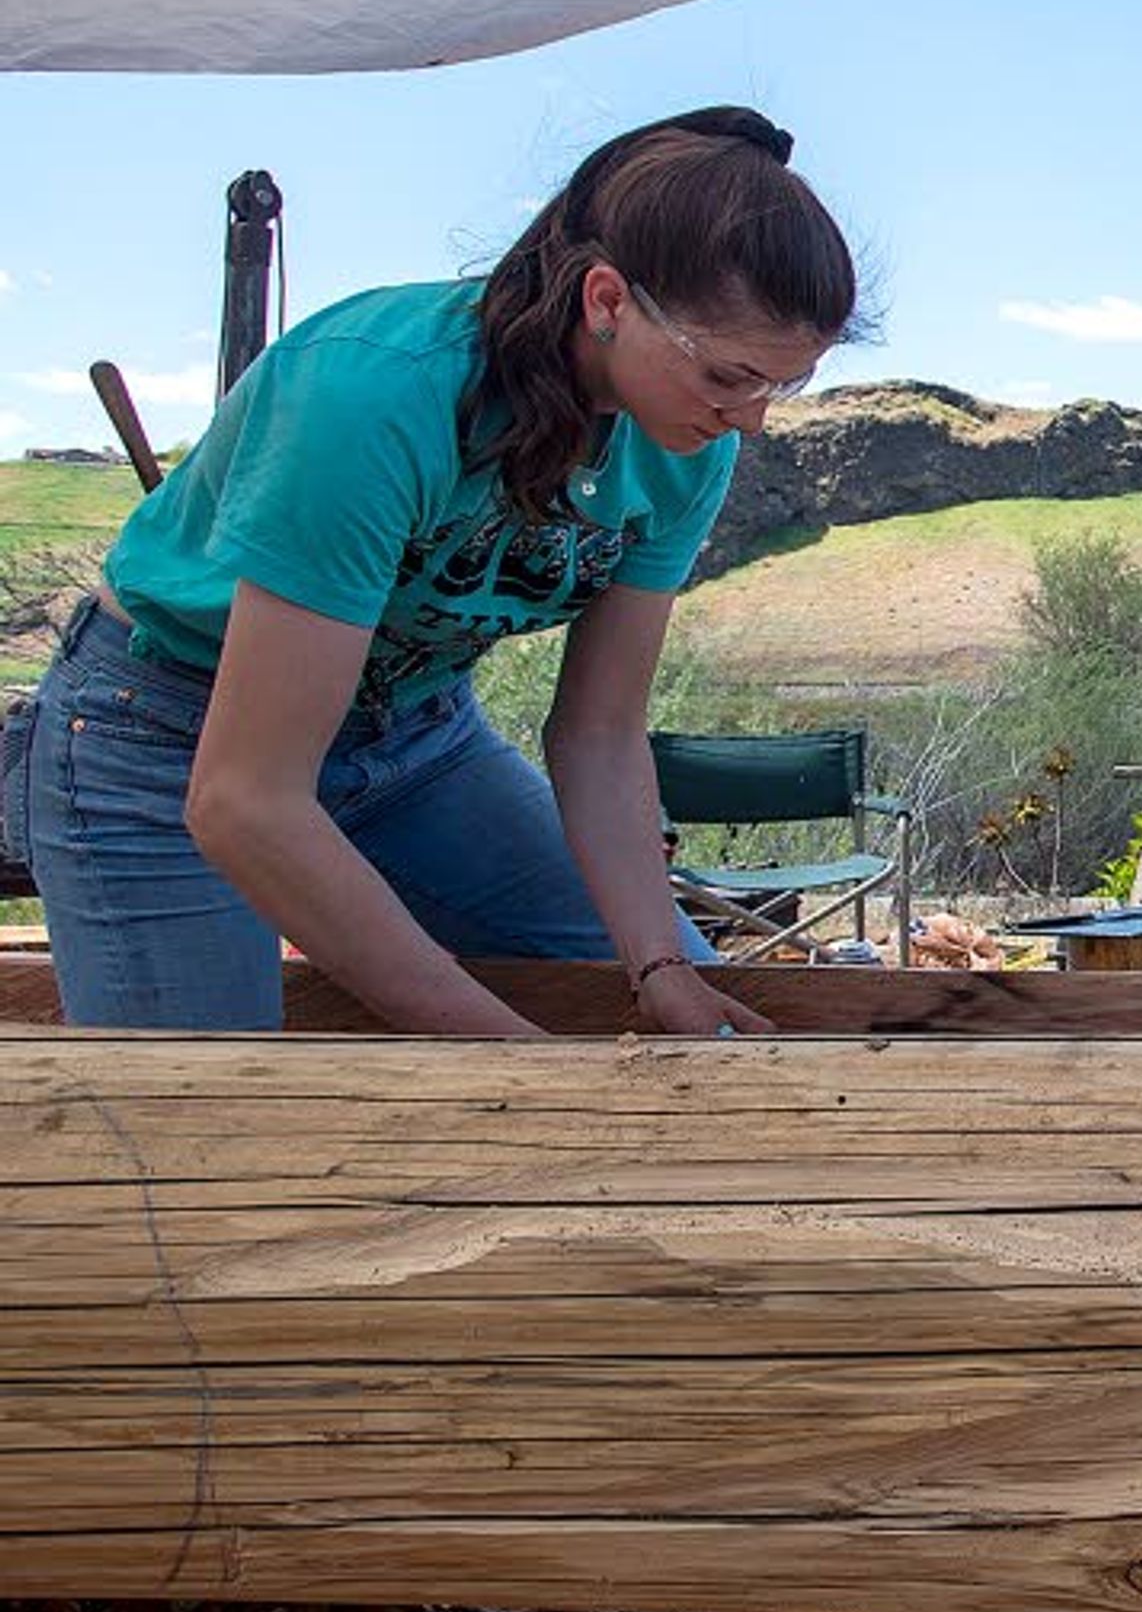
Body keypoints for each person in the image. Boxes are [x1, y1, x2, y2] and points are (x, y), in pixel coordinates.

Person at [0, 106, 865, 1033]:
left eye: (782, 384)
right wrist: (517, 1058)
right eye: (731, 376)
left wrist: (656, 966)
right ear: (608, 301)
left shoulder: (686, 442)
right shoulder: (371, 397)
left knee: (698, 1013)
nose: (753, 419)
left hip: (417, 741)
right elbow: (246, 799)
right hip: (167, 739)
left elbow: (600, 735)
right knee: (213, 1121)